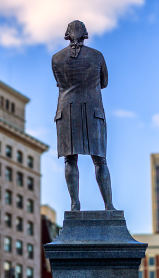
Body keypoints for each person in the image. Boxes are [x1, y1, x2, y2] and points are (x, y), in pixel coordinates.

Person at [52, 20, 116, 211]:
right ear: (85, 34)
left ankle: (75, 204)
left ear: (67, 34)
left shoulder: (56, 58)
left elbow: (59, 82)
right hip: (92, 111)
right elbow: (104, 82)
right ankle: (109, 205)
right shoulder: (97, 56)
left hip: (67, 111)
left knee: (70, 159)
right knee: (100, 160)